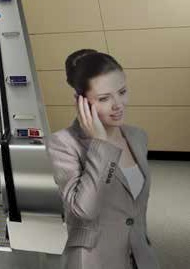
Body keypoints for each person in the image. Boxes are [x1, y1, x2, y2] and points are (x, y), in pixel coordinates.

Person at [47, 50, 157, 268]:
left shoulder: (137, 136)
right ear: (81, 102)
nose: (118, 105)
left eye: (122, 92)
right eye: (104, 98)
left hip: (139, 255)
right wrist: (100, 144)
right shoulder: (63, 143)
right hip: (93, 260)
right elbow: (84, 210)